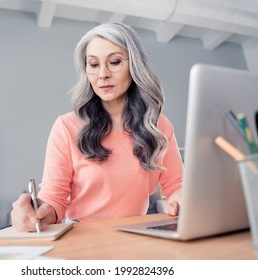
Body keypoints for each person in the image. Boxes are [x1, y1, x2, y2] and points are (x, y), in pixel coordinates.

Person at [11, 22, 183, 232]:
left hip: (136, 235)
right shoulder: (66, 127)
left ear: (135, 65)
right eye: (93, 65)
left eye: (115, 62)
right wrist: (38, 214)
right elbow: (54, 197)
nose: (102, 74)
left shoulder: (158, 126)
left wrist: (182, 201)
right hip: (82, 237)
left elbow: (177, 187)